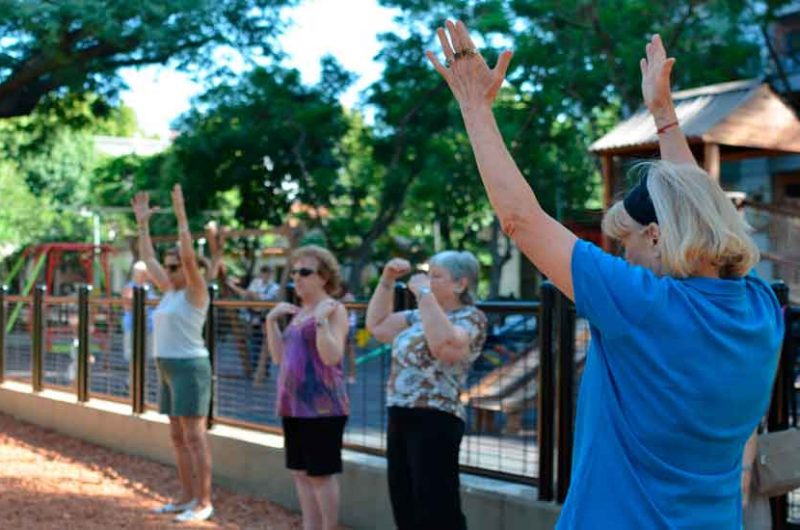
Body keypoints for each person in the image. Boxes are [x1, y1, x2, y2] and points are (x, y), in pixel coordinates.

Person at [427, 22, 784, 528]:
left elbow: (521, 220)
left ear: (658, 237)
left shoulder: (644, 305)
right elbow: (699, 203)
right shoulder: (761, 308)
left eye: (627, 242)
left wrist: (475, 107)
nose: (624, 256)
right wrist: (664, 118)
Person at [366, 251, 488, 530]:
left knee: (436, 505)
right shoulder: (419, 314)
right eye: (427, 275)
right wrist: (386, 282)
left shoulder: (471, 317)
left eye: (436, 276)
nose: (427, 280)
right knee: (404, 500)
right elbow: (378, 326)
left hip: (437, 418)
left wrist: (423, 293)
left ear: (461, 284)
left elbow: (445, 347)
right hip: (400, 413)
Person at [132, 185, 214, 523]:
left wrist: (181, 217)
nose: (171, 268)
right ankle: (185, 497)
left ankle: (204, 501)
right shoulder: (169, 291)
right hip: (165, 366)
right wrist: (142, 226)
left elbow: (190, 258)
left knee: (195, 436)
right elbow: (148, 259)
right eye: (170, 265)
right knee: (178, 437)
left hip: (190, 367)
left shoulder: (196, 291)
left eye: (176, 265)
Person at [265, 245, 349, 530]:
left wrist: (322, 322)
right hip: (293, 405)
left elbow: (331, 356)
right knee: (301, 473)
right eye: (294, 272)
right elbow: (279, 358)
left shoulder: (333, 310)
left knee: (321, 475)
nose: (296, 278)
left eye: (304, 272)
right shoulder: (299, 312)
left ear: (324, 277)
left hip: (323, 408)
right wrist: (270, 323)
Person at [121, 261, 155, 364]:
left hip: (149, 327)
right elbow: (127, 306)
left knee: (148, 357)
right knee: (132, 357)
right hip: (133, 327)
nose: (146, 275)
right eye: (142, 272)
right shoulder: (129, 287)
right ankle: (133, 379)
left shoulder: (149, 287)